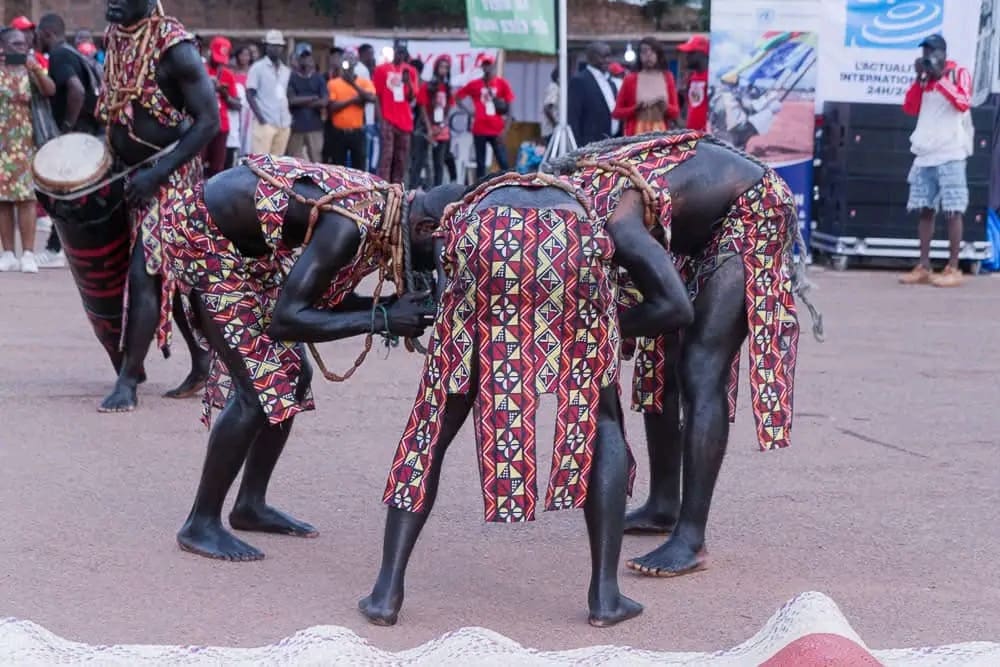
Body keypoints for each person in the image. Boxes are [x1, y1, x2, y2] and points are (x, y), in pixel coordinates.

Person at [361, 167, 693, 627]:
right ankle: (605, 595)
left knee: (433, 422)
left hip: (483, 243)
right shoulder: (618, 201)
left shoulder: (468, 207)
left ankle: (385, 593)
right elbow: (678, 306)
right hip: (574, 249)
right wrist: (597, 327)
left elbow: (448, 274)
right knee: (605, 422)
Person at [545, 131, 820, 578]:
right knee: (658, 365)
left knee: (699, 365)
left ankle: (691, 538)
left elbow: (675, 307)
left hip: (751, 210)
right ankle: (663, 506)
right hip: (692, 227)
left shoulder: (614, 217)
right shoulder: (582, 207)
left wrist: (603, 326)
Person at [173, 154, 466, 561]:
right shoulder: (352, 225)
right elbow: (287, 320)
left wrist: (389, 313)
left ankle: (249, 505)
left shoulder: (386, 214)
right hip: (208, 241)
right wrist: (382, 318)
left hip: (251, 253)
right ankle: (200, 523)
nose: (435, 271)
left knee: (292, 376)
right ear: (424, 228)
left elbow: (323, 304)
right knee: (257, 390)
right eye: (439, 258)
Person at [94, 0, 217, 412]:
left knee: (145, 272)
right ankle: (204, 360)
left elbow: (208, 121)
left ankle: (128, 379)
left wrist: (158, 173)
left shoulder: (176, 47)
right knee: (175, 280)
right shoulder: (117, 36)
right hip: (133, 177)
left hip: (171, 181)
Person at [899, 33, 972, 288]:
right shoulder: (924, 78)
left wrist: (940, 78)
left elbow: (964, 102)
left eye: (931, 51)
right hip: (925, 153)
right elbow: (909, 108)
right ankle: (924, 266)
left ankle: (953, 267)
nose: (927, 56)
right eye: (924, 52)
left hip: (951, 151)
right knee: (925, 210)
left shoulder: (956, 73)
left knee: (953, 210)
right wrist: (920, 81)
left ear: (942, 52)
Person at [34, 13, 104, 270]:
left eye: (38, 34)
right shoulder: (74, 54)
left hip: (78, 132)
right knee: (77, 194)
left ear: (47, 33)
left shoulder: (61, 56)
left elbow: (77, 90)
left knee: (61, 192)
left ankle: (55, 248)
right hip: (90, 131)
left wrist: (66, 128)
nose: (36, 39)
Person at [0, 27, 55, 274]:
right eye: (15, 44)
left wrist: (34, 68)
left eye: (23, 44)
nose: (20, 48)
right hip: (2, 143)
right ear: (3, 46)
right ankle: (9, 253)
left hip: (25, 142)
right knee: (2, 200)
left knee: (26, 199)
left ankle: (29, 254)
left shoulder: (30, 68)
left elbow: (49, 90)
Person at [455, 57, 514, 180]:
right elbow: (458, 97)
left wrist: (505, 130)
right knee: (480, 162)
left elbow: (509, 108)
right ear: (482, 67)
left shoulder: (501, 83)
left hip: (496, 129)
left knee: (503, 161)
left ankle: (509, 184)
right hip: (480, 128)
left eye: (489, 65)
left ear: (493, 67)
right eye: (485, 65)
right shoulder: (475, 84)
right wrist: (470, 112)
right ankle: (480, 189)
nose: (487, 68)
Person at [612, 37, 680, 136]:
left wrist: (664, 107)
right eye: (644, 51)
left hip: (661, 137)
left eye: (652, 51)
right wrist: (635, 109)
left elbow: (675, 113)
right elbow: (616, 112)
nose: (648, 55)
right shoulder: (630, 79)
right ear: (639, 55)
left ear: (658, 54)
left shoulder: (667, 77)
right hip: (635, 137)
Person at [373, 39, 418, 183]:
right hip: (388, 118)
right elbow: (377, 96)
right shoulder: (381, 70)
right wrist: (380, 118)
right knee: (387, 155)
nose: (400, 54)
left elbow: (411, 98)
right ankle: (383, 187)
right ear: (394, 51)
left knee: (401, 157)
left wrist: (408, 82)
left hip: (404, 121)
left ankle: (397, 187)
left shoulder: (410, 71)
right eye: (398, 51)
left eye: (402, 52)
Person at [326, 50, 375, 169]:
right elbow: (332, 107)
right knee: (338, 168)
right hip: (338, 132)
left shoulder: (364, 82)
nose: (348, 64)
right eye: (346, 61)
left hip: (357, 132)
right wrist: (353, 100)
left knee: (359, 167)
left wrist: (353, 84)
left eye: (351, 61)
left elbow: (372, 98)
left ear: (356, 63)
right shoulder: (333, 83)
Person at [247, 30, 292, 155]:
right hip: (265, 123)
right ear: (266, 46)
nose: (276, 49)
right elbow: (249, 94)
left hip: (283, 123)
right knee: (261, 164)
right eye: (273, 45)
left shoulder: (286, 71)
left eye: (278, 46)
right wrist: (261, 118)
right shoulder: (257, 68)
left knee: (277, 165)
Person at [568, 42, 619, 146]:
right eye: (603, 57)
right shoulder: (579, 81)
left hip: (612, 144)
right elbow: (573, 117)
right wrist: (577, 147)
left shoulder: (611, 82)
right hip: (590, 146)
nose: (607, 60)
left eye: (609, 56)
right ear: (590, 57)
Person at [203, 36, 240, 178]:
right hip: (201, 125)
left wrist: (224, 93)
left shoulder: (228, 75)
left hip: (221, 126)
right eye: (216, 58)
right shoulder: (199, 70)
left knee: (217, 167)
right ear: (209, 52)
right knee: (197, 164)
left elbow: (237, 105)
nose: (219, 63)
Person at [417, 55, 456, 186]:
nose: (443, 70)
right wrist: (429, 129)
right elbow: (422, 108)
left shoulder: (448, 88)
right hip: (427, 128)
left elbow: (448, 110)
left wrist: (441, 126)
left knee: (439, 162)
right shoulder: (427, 86)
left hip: (441, 129)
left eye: (446, 67)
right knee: (422, 161)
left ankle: (438, 189)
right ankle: (418, 187)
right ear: (436, 68)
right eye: (441, 66)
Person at [286, 42, 326, 162]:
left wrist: (301, 100)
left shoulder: (319, 78)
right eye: (302, 57)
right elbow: (291, 100)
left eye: (307, 57)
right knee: (294, 162)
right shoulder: (291, 77)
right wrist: (313, 98)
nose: (305, 60)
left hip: (315, 126)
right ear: (297, 59)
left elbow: (324, 102)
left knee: (316, 161)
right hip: (296, 127)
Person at [678, 35, 709, 131]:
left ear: (701, 54)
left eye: (691, 53)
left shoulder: (712, 78)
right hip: (691, 135)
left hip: (707, 136)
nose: (686, 56)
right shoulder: (692, 77)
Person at [229, 45, 253, 159]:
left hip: (250, 108)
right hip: (236, 106)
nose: (244, 58)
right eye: (242, 55)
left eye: (247, 55)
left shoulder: (253, 72)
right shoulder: (233, 72)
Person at [540, 66, 558, 145]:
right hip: (551, 130)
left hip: (552, 130)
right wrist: (556, 125)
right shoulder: (554, 88)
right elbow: (547, 108)